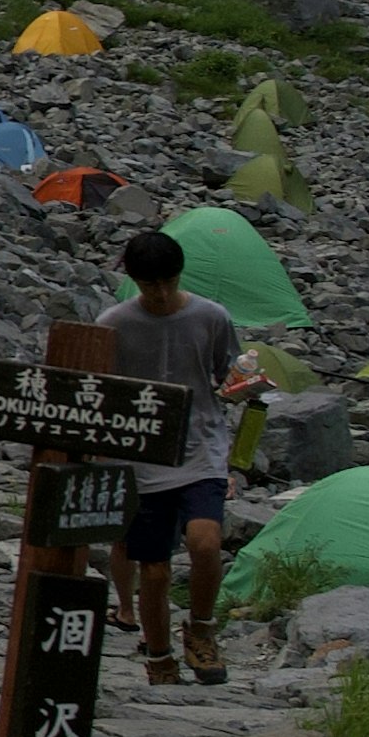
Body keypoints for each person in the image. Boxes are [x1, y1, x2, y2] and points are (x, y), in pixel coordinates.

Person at [112, 226, 261, 686]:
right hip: (141, 457)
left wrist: (244, 386)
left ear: (179, 276)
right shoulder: (113, 324)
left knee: (205, 542)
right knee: (153, 569)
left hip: (201, 446)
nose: (160, 293)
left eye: (168, 282)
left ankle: (200, 629)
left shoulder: (210, 316)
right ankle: (159, 657)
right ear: (135, 282)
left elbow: (226, 375)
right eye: (149, 284)